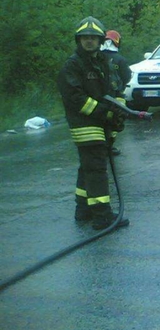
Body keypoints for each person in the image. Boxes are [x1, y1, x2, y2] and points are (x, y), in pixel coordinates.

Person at [57, 16, 130, 230]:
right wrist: (105, 114)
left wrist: (118, 113)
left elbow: (113, 90)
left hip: (100, 122)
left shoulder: (102, 63)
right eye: (84, 38)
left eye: (93, 38)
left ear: (100, 40)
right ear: (78, 40)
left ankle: (83, 209)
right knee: (97, 169)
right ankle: (102, 216)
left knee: (87, 167)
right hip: (84, 124)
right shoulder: (72, 66)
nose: (89, 41)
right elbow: (76, 99)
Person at [101, 30, 132, 156]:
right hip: (116, 96)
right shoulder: (120, 59)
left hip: (99, 96)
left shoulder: (96, 57)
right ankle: (109, 145)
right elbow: (127, 76)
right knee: (116, 119)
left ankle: (101, 145)